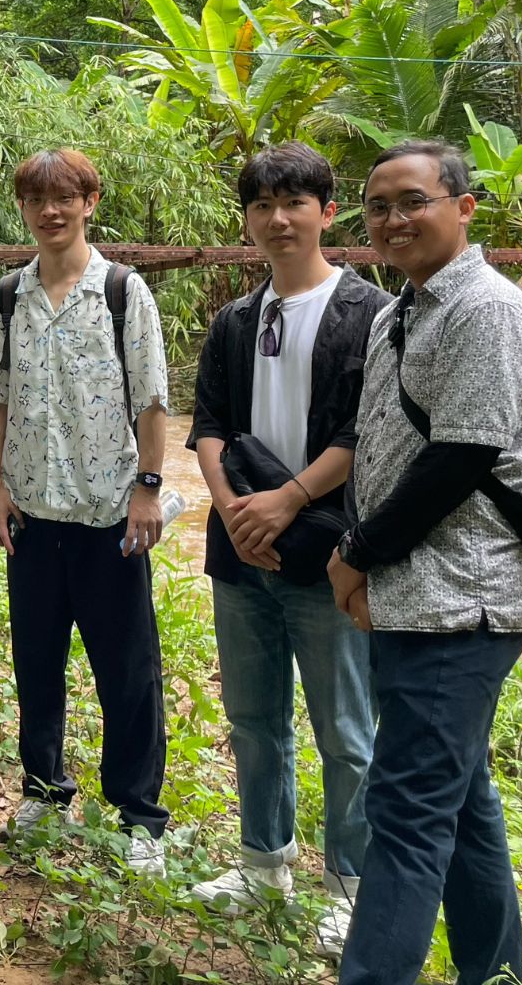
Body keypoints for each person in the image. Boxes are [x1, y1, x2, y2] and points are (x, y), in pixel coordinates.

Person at [329, 141, 522, 985]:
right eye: (379, 206)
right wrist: (367, 562)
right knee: (461, 797)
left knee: (408, 811)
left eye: (412, 201)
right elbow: (381, 448)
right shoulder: (403, 311)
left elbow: (460, 459)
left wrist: (356, 554)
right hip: (411, 592)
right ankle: (495, 971)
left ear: (463, 207)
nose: (392, 220)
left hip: (464, 597)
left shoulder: (487, 310)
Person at [186, 143, 390, 954]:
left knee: (346, 729)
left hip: (328, 553)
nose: (277, 219)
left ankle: (350, 885)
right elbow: (206, 425)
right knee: (252, 718)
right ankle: (261, 863)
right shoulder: (236, 319)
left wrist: (291, 498)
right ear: (248, 218)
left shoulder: (371, 313)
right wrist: (237, 508)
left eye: (294, 204)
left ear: (326, 213)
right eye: (262, 206)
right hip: (241, 551)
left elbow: (365, 432)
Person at [0, 147, 172, 876]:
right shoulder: (6, 297)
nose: (51, 211)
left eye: (66, 198)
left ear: (91, 202)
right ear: (22, 208)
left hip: (110, 512)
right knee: (38, 660)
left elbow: (151, 399)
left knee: (127, 667)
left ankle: (140, 815)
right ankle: (43, 789)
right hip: (32, 511)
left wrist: (148, 487)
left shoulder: (124, 291)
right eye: (37, 199)